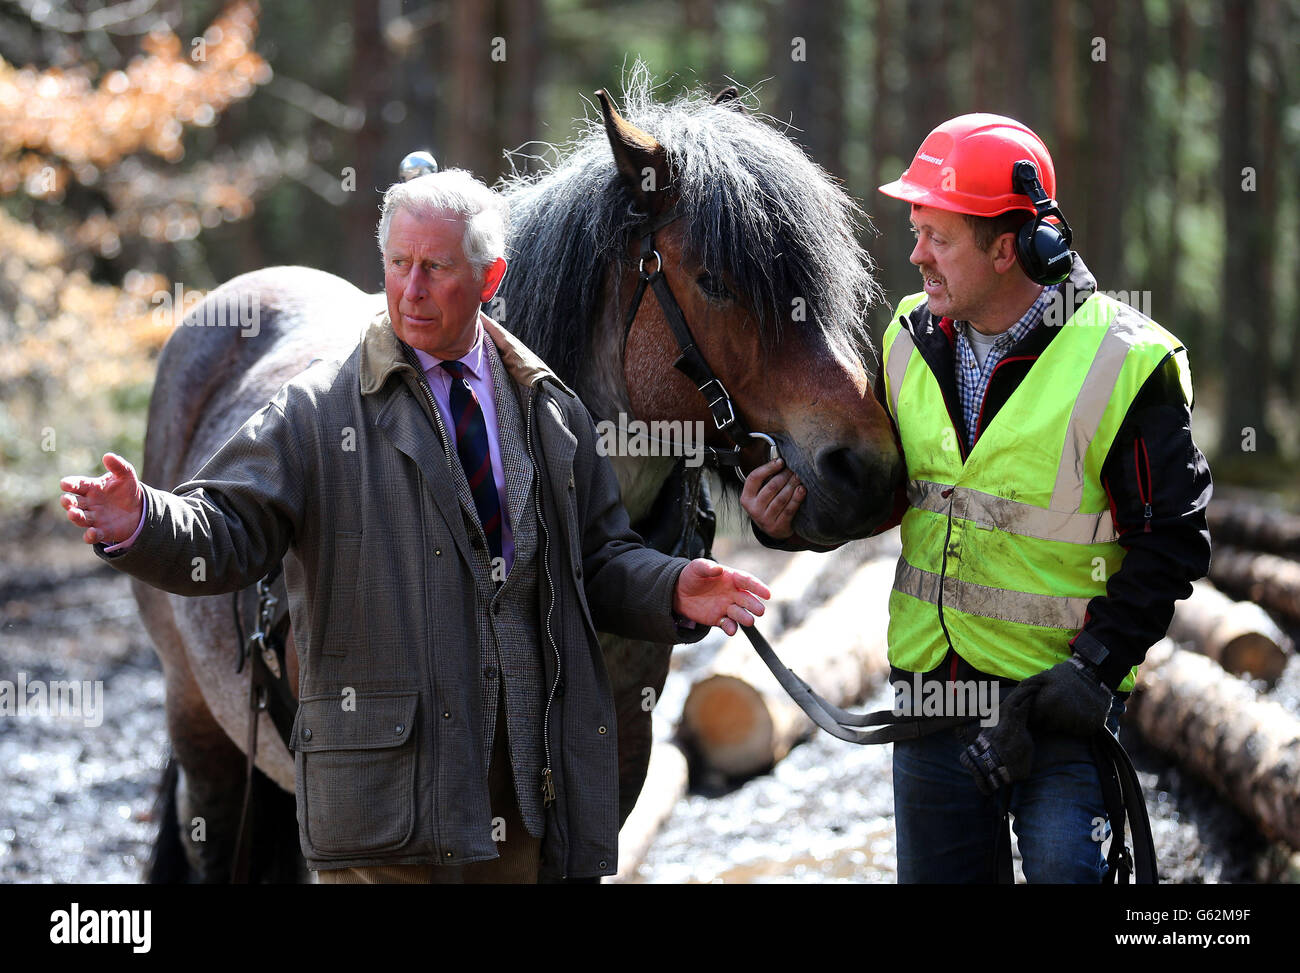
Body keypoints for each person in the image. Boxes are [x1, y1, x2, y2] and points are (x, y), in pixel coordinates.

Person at [60, 168, 771, 884]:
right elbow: (228, 526)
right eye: (398, 264)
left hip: (524, 798)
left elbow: (596, 559)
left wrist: (675, 585)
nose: (410, 288)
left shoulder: (548, 409)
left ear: (491, 277)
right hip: (382, 811)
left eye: (435, 266)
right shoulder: (318, 409)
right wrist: (145, 520)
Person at [742, 114, 1211, 883]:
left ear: (1010, 246)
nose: (916, 253)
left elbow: (1173, 540)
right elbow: (892, 499)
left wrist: (1094, 671)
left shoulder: (1128, 363)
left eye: (939, 236)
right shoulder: (904, 337)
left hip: (1057, 712)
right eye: (917, 229)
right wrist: (791, 523)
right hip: (929, 706)